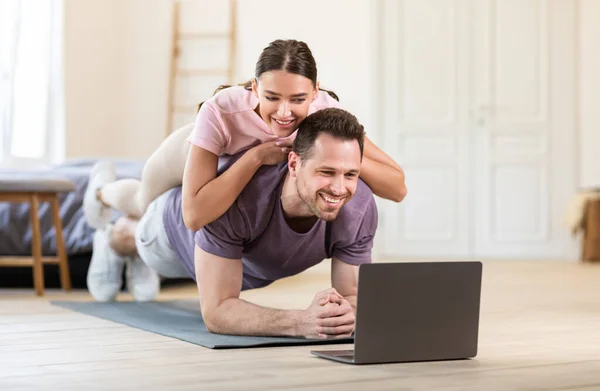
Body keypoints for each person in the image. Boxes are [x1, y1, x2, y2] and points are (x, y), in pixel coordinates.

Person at [88, 108, 376, 338]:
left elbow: (351, 295)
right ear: (293, 163)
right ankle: (105, 208)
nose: (340, 189)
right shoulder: (242, 201)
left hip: (222, 262)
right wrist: (301, 322)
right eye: (326, 172)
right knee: (136, 225)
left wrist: (342, 315)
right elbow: (217, 312)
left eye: (350, 174)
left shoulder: (359, 207)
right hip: (171, 236)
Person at [83, 39, 406, 234]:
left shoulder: (325, 113)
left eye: (297, 99)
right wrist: (256, 156)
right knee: (144, 203)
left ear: (315, 92)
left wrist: (344, 161)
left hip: (228, 160)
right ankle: (102, 191)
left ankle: (122, 237)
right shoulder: (221, 110)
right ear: (254, 89)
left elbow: (397, 187)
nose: (284, 112)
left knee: (147, 222)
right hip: (181, 151)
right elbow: (194, 217)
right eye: (271, 97)